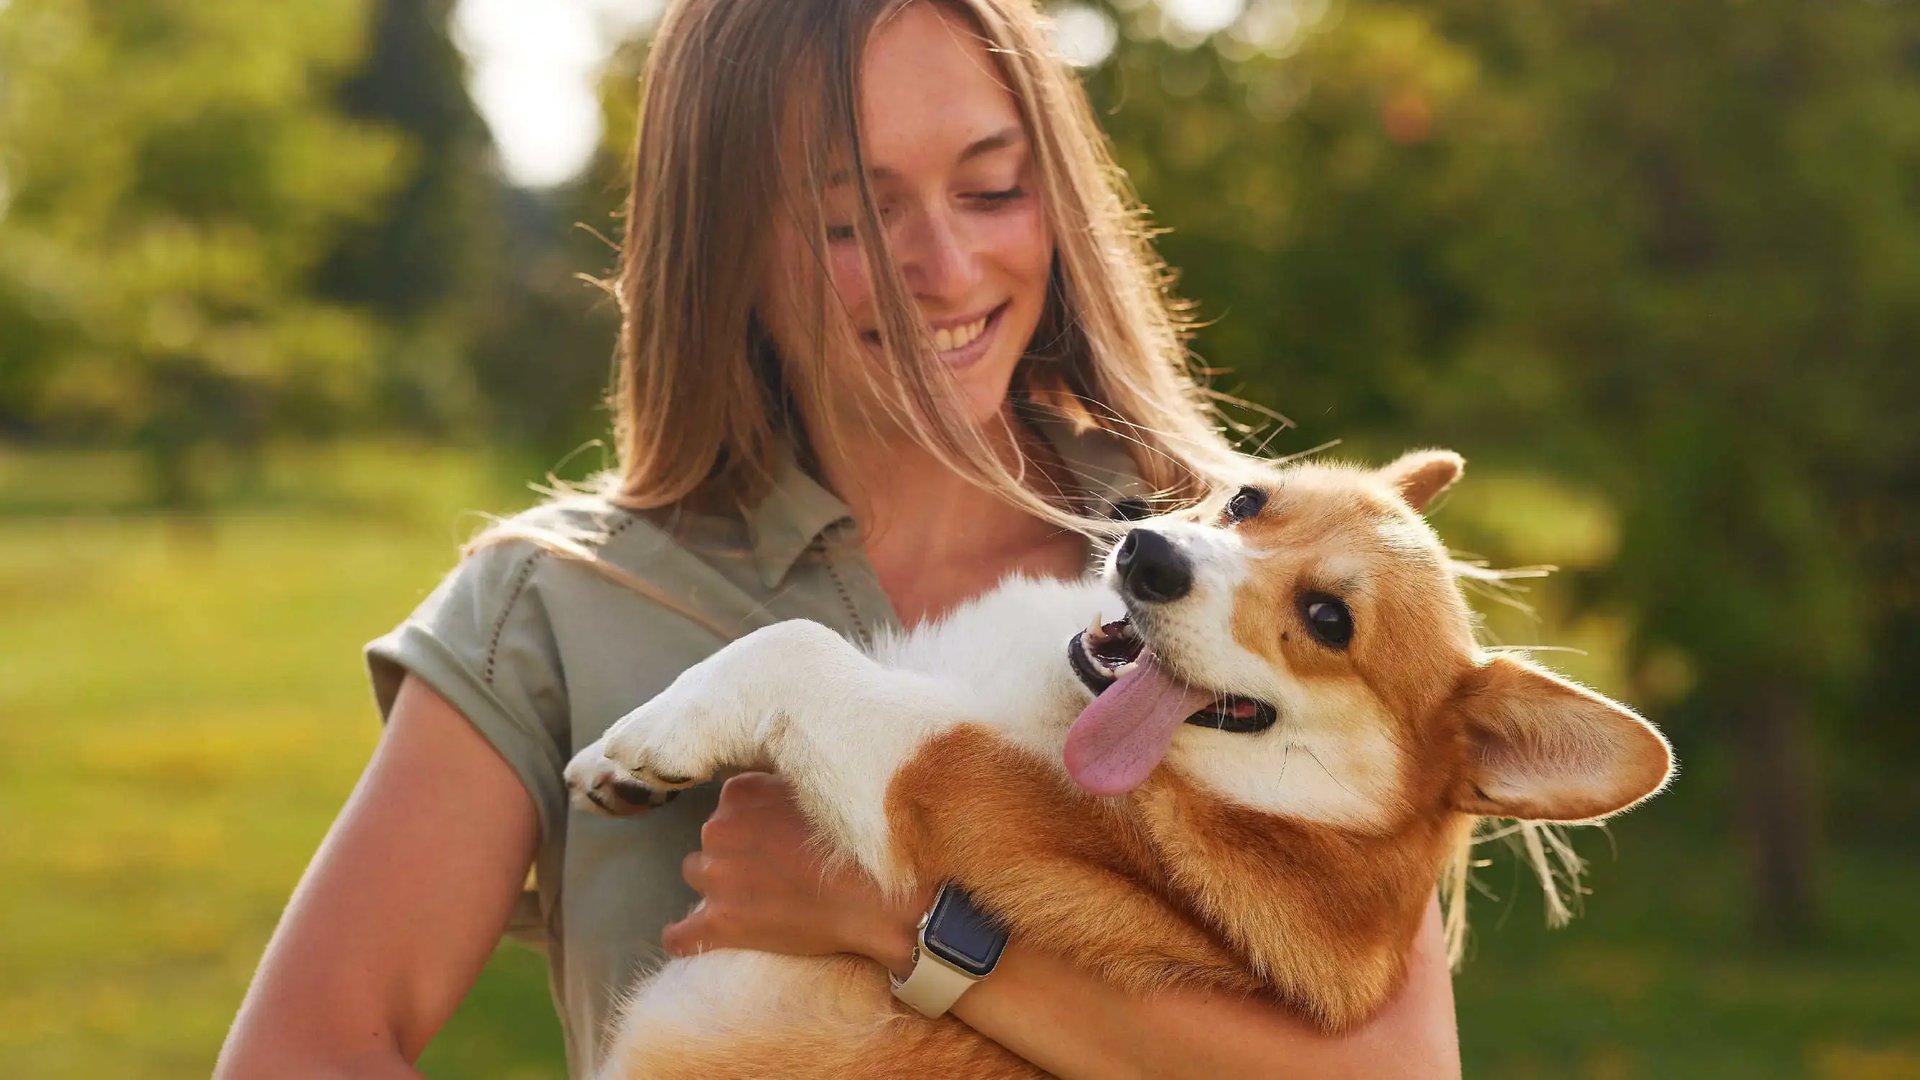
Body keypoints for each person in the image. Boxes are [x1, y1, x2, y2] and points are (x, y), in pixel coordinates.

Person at [216, 0, 1462, 1075]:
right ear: (725, 250)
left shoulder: (1233, 588)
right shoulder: (559, 605)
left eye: (992, 188)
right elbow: (304, 1050)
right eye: (852, 220)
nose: (947, 267)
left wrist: (906, 923)